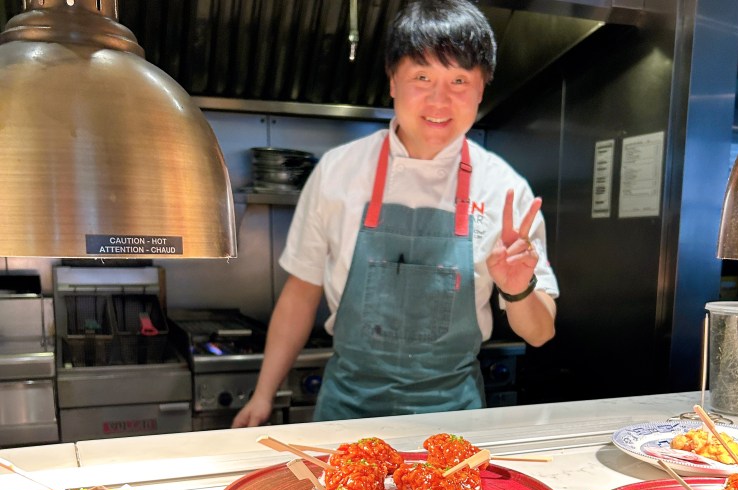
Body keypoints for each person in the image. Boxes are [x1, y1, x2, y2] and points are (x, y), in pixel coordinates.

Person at [233, 0, 558, 427]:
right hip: (347, 413)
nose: (439, 99)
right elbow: (300, 292)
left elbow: (540, 332)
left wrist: (517, 290)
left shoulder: (506, 191)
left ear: (482, 89)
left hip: (452, 418)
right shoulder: (339, 170)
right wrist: (262, 395)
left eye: (459, 79)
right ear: (392, 80)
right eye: (422, 76)